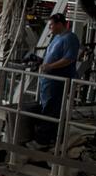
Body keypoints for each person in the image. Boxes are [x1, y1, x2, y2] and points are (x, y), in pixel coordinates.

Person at [30, 12, 79, 147]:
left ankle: (44, 140)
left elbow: (69, 59)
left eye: (51, 25)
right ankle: (47, 138)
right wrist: (41, 61)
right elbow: (53, 57)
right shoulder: (57, 38)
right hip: (48, 80)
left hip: (58, 81)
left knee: (52, 110)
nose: (50, 28)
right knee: (47, 107)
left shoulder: (70, 38)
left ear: (59, 24)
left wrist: (50, 66)